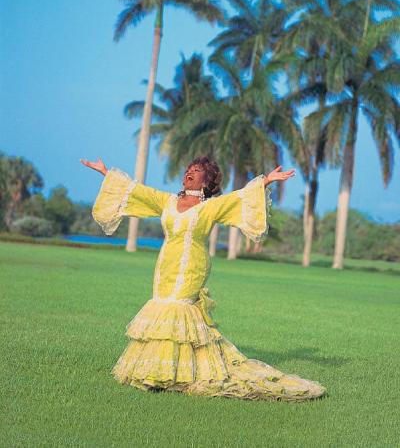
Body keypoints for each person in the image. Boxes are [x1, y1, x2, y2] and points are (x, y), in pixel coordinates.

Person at [80, 155, 327, 401]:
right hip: (165, 265)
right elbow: (136, 190)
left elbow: (238, 197)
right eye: (188, 168)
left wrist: (266, 181)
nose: (189, 172)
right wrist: (105, 172)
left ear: (207, 181)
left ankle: (178, 374)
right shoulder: (166, 201)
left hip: (192, 266)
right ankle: (155, 372)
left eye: (197, 170)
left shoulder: (210, 206)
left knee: (178, 309)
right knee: (162, 308)